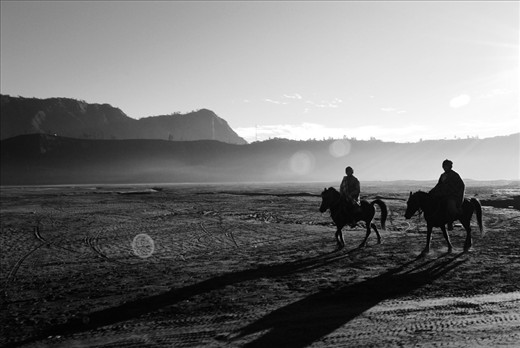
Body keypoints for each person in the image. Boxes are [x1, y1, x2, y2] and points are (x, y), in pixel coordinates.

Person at [429, 159, 465, 229]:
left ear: (450, 166)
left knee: (450, 205)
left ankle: (450, 221)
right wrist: (432, 192)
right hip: (443, 194)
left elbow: (460, 186)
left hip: (453, 195)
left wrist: (452, 192)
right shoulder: (443, 175)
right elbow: (439, 185)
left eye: (446, 166)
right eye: (444, 166)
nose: (445, 167)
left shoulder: (454, 175)